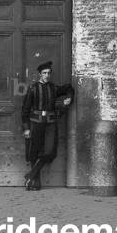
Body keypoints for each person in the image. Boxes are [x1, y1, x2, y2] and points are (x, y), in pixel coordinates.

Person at [21, 61, 74, 190]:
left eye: (49, 73)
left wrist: (69, 98)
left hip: (50, 124)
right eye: (44, 73)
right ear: (40, 74)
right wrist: (26, 128)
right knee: (34, 152)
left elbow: (69, 88)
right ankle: (35, 183)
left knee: (50, 152)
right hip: (36, 124)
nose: (47, 75)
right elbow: (25, 110)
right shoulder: (33, 88)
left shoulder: (54, 88)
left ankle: (30, 175)